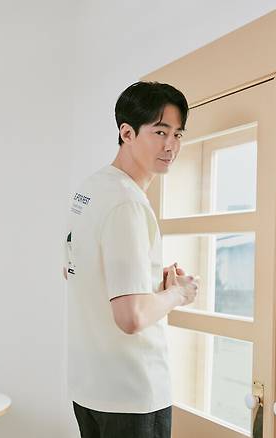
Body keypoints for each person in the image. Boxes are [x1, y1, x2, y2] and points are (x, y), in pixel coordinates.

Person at [63, 81, 200, 438]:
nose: (171, 146)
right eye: (160, 132)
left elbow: (76, 269)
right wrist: (178, 294)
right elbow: (131, 317)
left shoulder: (89, 191)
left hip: (90, 388)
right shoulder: (127, 203)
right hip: (132, 394)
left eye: (178, 134)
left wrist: (149, 281)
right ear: (127, 133)